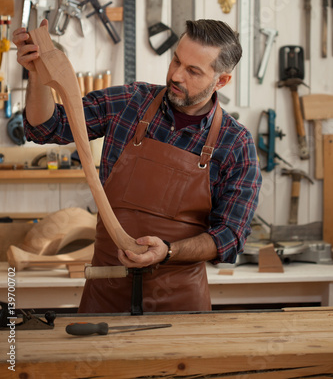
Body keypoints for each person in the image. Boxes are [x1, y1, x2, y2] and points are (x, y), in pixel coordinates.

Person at [13, 18, 262, 313]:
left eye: (193, 71)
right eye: (176, 61)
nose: (177, 75)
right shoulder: (131, 102)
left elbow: (230, 236)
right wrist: (37, 74)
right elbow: (47, 128)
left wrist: (168, 251)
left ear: (221, 81)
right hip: (106, 290)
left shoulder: (236, 144)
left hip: (180, 304)